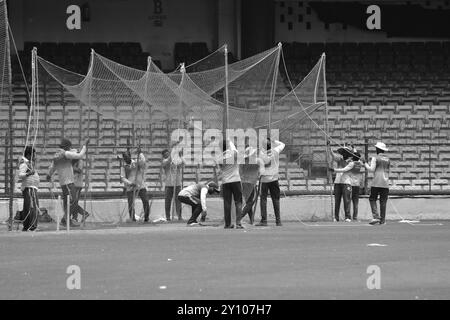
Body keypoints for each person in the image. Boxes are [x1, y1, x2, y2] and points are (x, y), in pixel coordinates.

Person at [47, 138, 89, 227]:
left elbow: (52, 167)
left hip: (63, 183)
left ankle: (66, 221)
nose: (70, 149)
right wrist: (85, 145)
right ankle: (65, 219)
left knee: (67, 202)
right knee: (73, 201)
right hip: (68, 183)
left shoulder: (57, 155)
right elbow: (80, 155)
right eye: (69, 147)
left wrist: (49, 175)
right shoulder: (65, 153)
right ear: (67, 147)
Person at [256, 138, 285, 226]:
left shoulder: (261, 154)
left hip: (264, 179)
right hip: (274, 179)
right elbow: (282, 144)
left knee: (263, 200)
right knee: (276, 199)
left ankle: (264, 220)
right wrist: (274, 141)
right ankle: (278, 220)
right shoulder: (275, 151)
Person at [216, 139, 243, 229]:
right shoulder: (233, 153)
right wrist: (230, 142)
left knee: (227, 203)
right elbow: (236, 152)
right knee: (238, 202)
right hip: (235, 180)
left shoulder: (219, 157)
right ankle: (238, 223)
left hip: (225, 181)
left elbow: (220, 169)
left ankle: (227, 224)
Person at [120, 148, 151, 223]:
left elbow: (143, 161)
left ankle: (146, 218)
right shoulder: (123, 167)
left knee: (145, 201)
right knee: (131, 203)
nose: (126, 158)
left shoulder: (137, 163)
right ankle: (132, 219)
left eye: (127, 156)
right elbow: (122, 178)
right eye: (124, 157)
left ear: (130, 156)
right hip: (130, 187)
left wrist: (140, 153)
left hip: (141, 186)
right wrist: (130, 183)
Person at [364, 142, 390, 225]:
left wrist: (364, 163)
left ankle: (376, 217)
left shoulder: (375, 158)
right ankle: (382, 220)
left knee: (372, 199)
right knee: (383, 201)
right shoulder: (388, 159)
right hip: (385, 183)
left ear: (378, 149)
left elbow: (371, 169)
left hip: (376, 182)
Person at [239, 145, 265, 225]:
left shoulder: (242, 161)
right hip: (251, 183)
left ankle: (251, 220)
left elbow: (239, 172)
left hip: (243, 182)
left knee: (248, 202)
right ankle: (239, 217)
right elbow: (262, 172)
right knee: (251, 203)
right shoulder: (258, 160)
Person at [328, 142, 353, 222]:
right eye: (343, 152)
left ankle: (347, 217)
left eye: (345, 152)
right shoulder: (339, 159)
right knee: (337, 201)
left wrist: (334, 170)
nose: (343, 154)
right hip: (337, 183)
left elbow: (344, 170)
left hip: (346, 183)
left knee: (346, 200)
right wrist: (329, 146)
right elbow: (332, 155)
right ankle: (336, 217)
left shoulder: (351, 162)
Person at [18, 146, 40, 231]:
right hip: (29, 188)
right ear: (28, 155)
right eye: (33, 154)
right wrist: (29, 174)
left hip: (32, 188)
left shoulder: (29, 163)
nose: (34, 156)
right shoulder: (24, 164)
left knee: (30, 207)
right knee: (32, 207)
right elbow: (20, 175)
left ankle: (28, 225)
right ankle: (31, 225)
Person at [161, 145, 184, 221]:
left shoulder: (176, 161)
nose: (167, 155)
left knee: (178, 201)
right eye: (166, 155)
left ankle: (179, 216)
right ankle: (168, 217)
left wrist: (180, 155)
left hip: (177, 184)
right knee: (168, 201)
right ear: (164, 156)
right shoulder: (164, 161)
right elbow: (167, 161)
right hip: (168, 185)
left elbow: (183, 163)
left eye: (168, 154)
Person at [71, 150, 90, 222]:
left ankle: (78, 216)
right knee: (73, 202)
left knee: (74, 202)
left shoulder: (80, 161)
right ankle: (75, 217)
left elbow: (79, 170)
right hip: (72, 183)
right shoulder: (73, 161)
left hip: (77, 184)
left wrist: (71, 167)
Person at [349, 149, 364, 221]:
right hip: (357, 184)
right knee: (355, 202)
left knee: (348, 201)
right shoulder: (360, 163)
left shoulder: (351, 163)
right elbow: (358, 157)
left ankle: (348, 217)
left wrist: (353, 150)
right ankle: (355, 217)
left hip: (350, 184)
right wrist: (354, 148)